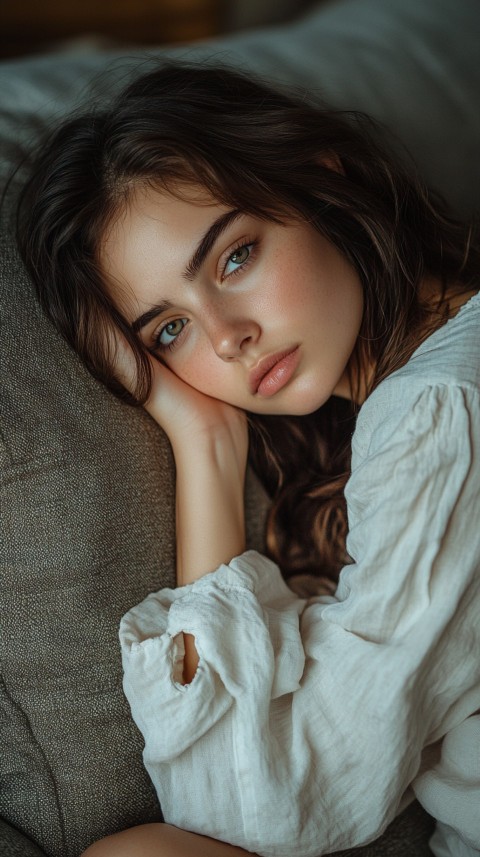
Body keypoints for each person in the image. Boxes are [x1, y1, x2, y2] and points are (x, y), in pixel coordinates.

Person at [17, 62, 480, 857]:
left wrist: (202, 446)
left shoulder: (439, 417)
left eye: (234, 258)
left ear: (318, 182)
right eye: (169, 331)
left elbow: (262, 803)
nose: (227, 337)